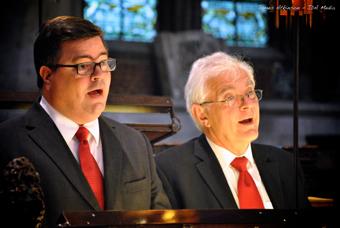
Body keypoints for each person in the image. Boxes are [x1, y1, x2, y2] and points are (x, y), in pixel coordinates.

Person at [0, 16, 170, 227]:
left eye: (104, 62)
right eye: (83, 66)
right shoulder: (7, 143)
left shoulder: (135, 144)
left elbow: (161, 221)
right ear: (47, 75)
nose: (99, 75)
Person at [155, 51, 310, 209]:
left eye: (250, 93)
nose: (246, 104)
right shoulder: (171, 170)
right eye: (229, 97)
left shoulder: (285, 164)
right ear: (202, 115)